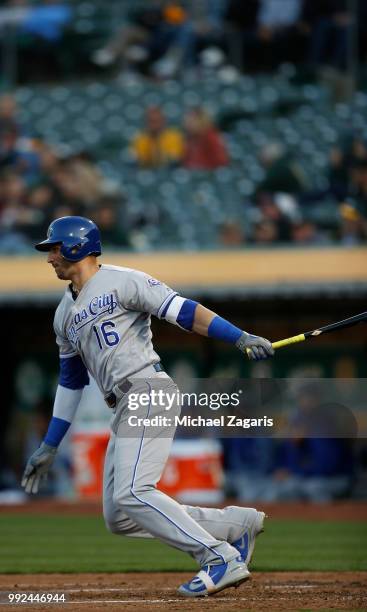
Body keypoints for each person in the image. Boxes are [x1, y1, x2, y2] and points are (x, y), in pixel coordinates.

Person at [21, 215, 274, 597]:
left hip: (146, 389)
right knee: (119, 517)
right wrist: (51, 443)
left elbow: (184, 311)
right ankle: (234, 526)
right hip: (121, 404)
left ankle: (218, 557)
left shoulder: (123, 280)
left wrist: (238, 336)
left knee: (133, 492)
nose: (49, 257)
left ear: (75, 245)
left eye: (54, 248)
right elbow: (72, 380)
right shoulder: (63, 314)